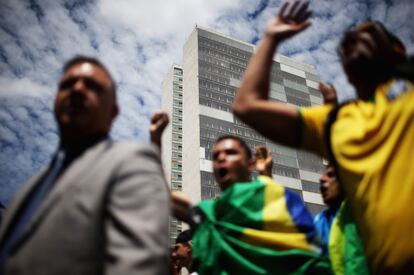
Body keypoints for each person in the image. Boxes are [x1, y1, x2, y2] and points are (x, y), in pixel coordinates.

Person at [233, 0, 413, 273]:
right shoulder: (337, 122)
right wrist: (270, 38)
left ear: (397, 49)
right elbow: (246, 105)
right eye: (345, 43)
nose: (350, 39)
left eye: (364, 32)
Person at [0, 56, 170, 275]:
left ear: (113, 112)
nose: (77, 89)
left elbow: (140, 263)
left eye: (92, 86)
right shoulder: (25, 191)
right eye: (67, 84)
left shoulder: (132, 160)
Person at [172, 136, 331, 274]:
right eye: (215, 156)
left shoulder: (281, 197)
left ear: (251, 164)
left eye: (230, 153)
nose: (221, 158)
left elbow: (310, 250)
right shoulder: (211, 213)